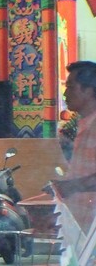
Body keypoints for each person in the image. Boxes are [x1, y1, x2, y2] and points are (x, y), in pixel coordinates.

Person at [51, 61, 96, 233]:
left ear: (88, 91)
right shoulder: (85, 123)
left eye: (70, 87)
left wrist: (72, 186)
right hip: (83, 226)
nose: (65, 94)